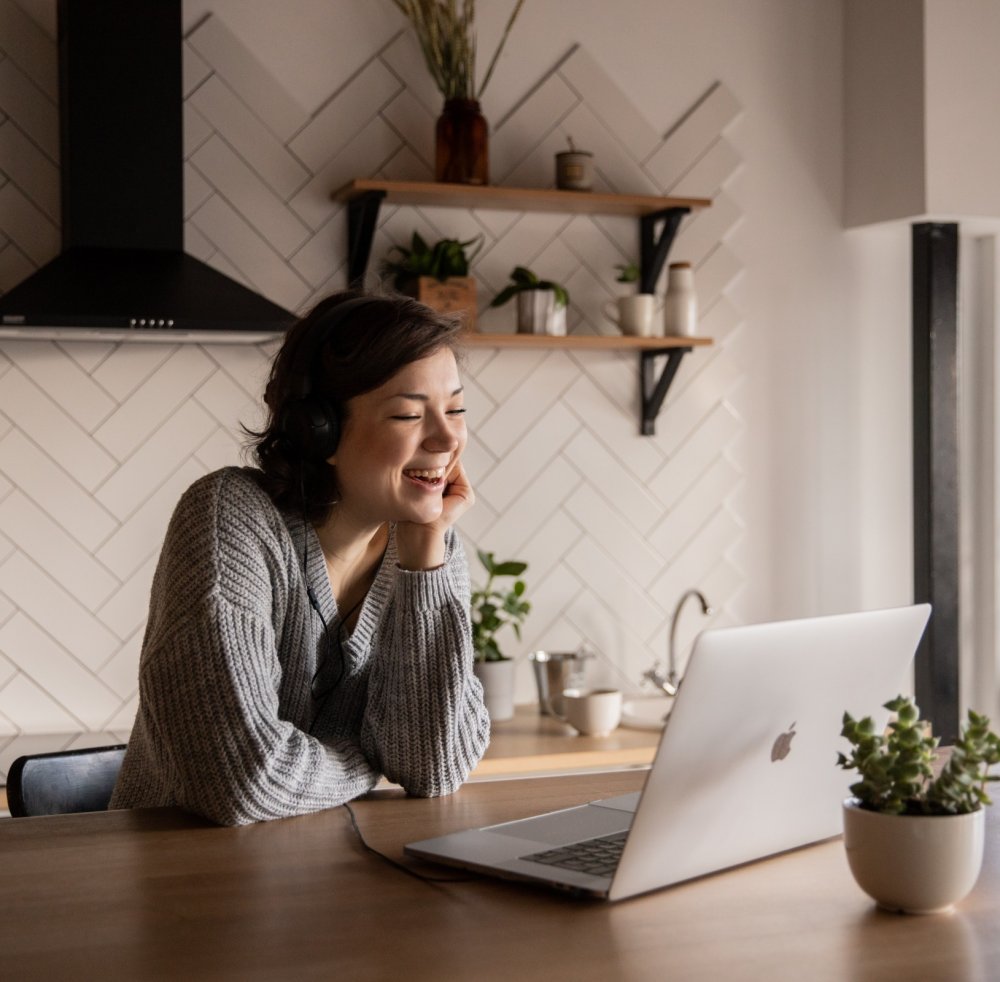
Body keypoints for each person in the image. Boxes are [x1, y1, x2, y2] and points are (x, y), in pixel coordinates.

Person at [110, 291, 490, 825]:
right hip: (183, 882)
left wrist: (426, 561)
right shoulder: (230, 518)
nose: (448, 438)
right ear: (319, 431)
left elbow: (433, 768)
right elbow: (242, 779)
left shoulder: (431, 550)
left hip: (328, 879)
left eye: (456, 409)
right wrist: (366, 760)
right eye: (408, 414)